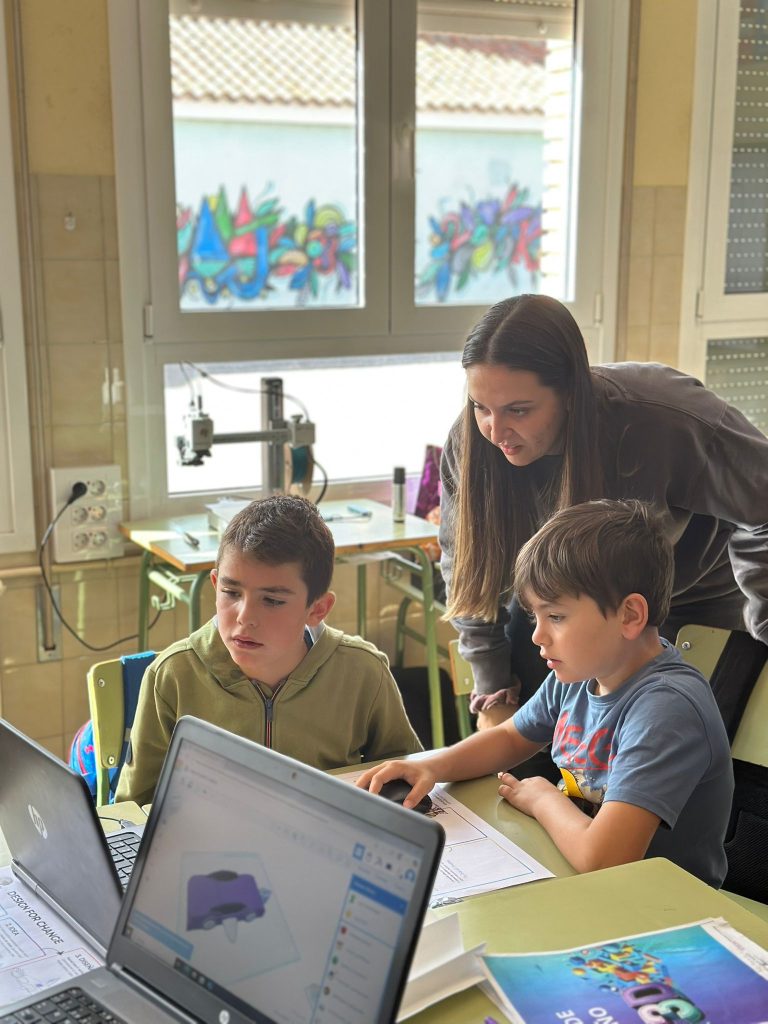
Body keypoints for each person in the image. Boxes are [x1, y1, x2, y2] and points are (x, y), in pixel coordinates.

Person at [358, 499, 734, 886]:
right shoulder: (580, 676)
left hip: (662, 905)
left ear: (630, 615)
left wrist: (543, 799)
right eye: (535, 616)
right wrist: (431, 767)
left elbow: (605, 858)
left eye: (555, 616)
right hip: (585, 884)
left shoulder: (666, 709)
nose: (538, 636)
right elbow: (510, 737)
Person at [439, 293, 768, 731]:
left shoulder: (665, 418)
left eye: (519, 410)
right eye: (480, 407)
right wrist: (494, 690)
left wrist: (763, 628)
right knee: (530, 749)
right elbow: (470, 574)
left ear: (570, 393)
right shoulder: (471, 443)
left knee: (670, 746)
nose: (495, 431)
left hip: (688, 605)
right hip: (560, 607)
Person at [117, 495, 422, 805]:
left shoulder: (362, 672)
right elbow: (134, 806)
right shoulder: (172, 675)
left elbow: (404, 777)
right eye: (231, 592)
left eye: (273, 601)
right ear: (215, 584)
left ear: (317, 609)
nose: (245, 617)